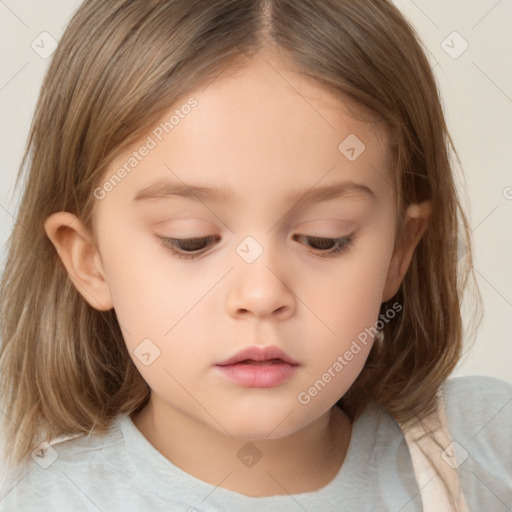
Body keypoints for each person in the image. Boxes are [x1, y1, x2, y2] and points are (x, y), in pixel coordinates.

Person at [0, 0, 510, 510]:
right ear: (89, 261)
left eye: (323, 238)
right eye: (191, 240)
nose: (262, 294)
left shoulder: (484, 449)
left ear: (400, 249)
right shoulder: (37, 499)